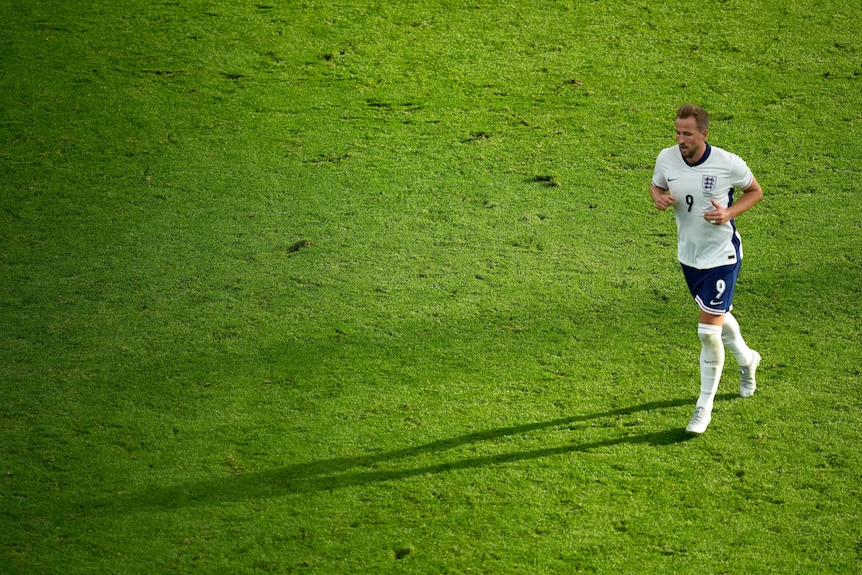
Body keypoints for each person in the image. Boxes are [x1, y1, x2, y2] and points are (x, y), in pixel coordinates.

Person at [649, 103, 763, 434]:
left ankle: (703, 407)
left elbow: (754, 191)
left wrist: (729, 213)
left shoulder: (727, 163)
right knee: (717, 314)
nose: (681, 139)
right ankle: (747, 359)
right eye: (678, 132)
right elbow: (657, 185)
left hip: (722, 256)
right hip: (690, 257)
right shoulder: (666, 158)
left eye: (687, 133)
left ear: (703, 134)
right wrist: (657, 196)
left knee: (707, 331)